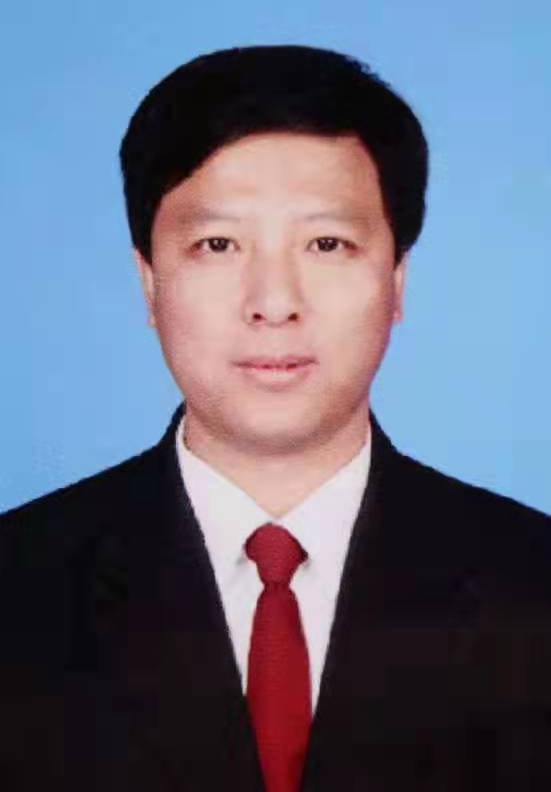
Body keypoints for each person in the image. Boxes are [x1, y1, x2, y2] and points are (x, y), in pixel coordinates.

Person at [0, 44, 550, 792]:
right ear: (149, 283)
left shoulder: (534, 584)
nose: (274, 301)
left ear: (396, 281)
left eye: (326, 244)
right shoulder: (17, 588)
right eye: (217, 244)